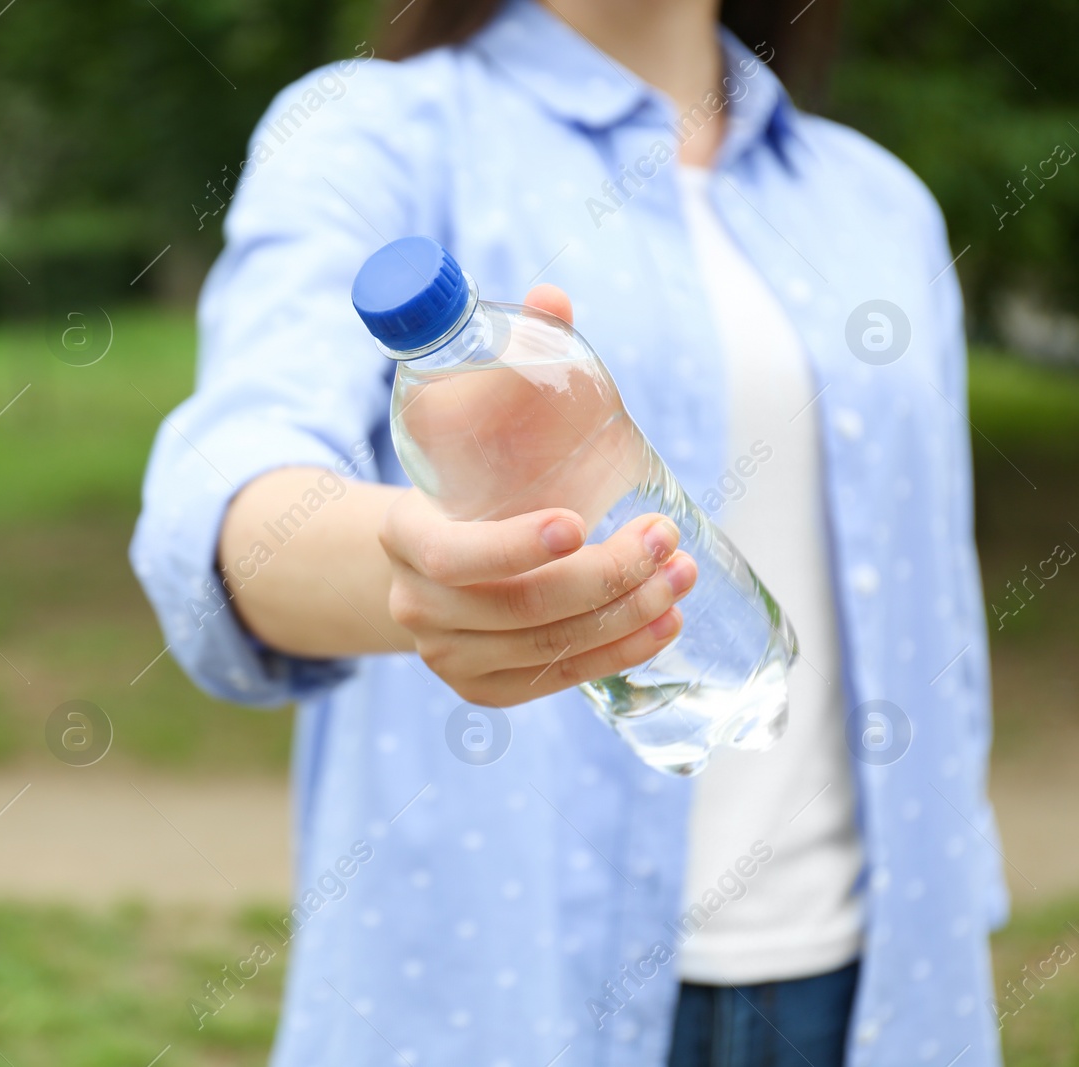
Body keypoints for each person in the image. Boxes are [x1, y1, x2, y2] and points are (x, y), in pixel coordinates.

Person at [130, 0, 1004, 1064]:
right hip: (502, 1004)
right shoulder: (374, 133)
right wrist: (418, 575)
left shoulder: (875, 201)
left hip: (876, 992)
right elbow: (225, 498)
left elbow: (939, 619)